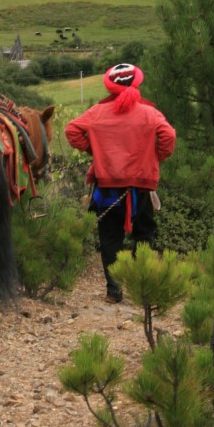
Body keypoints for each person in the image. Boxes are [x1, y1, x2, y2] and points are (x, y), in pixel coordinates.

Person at [65, 63, 176, 303]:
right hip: (142, 187)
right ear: (136, 82)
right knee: (144, 234)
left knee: (110, 238)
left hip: (107, 187)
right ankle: (141, 287)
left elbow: (72, 130)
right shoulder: (150, 113)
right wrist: (157, 155)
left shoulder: (96, 113)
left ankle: (114, 291)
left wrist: (94, 150)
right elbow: (169, 136)